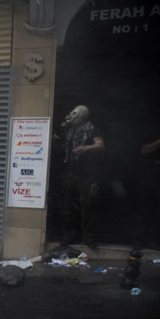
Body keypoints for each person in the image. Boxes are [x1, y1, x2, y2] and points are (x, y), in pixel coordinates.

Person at [59, 105, 105, 248]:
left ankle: (88, 237)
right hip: (70, 172)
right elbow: (64, 146)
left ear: (84, 117)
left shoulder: (92, 129)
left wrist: (85, 148)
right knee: (67, 205)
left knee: (88, 206)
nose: (72, 116)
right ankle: (69, 236)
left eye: (75, 114)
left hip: (86, 174)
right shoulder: (70, 130)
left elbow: (101, 145)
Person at [137, 111, 160, 250]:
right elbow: (143, 150)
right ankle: (141, 240)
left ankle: (156, 240)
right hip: (153, 175)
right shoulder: (157, 133)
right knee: (146, 208)